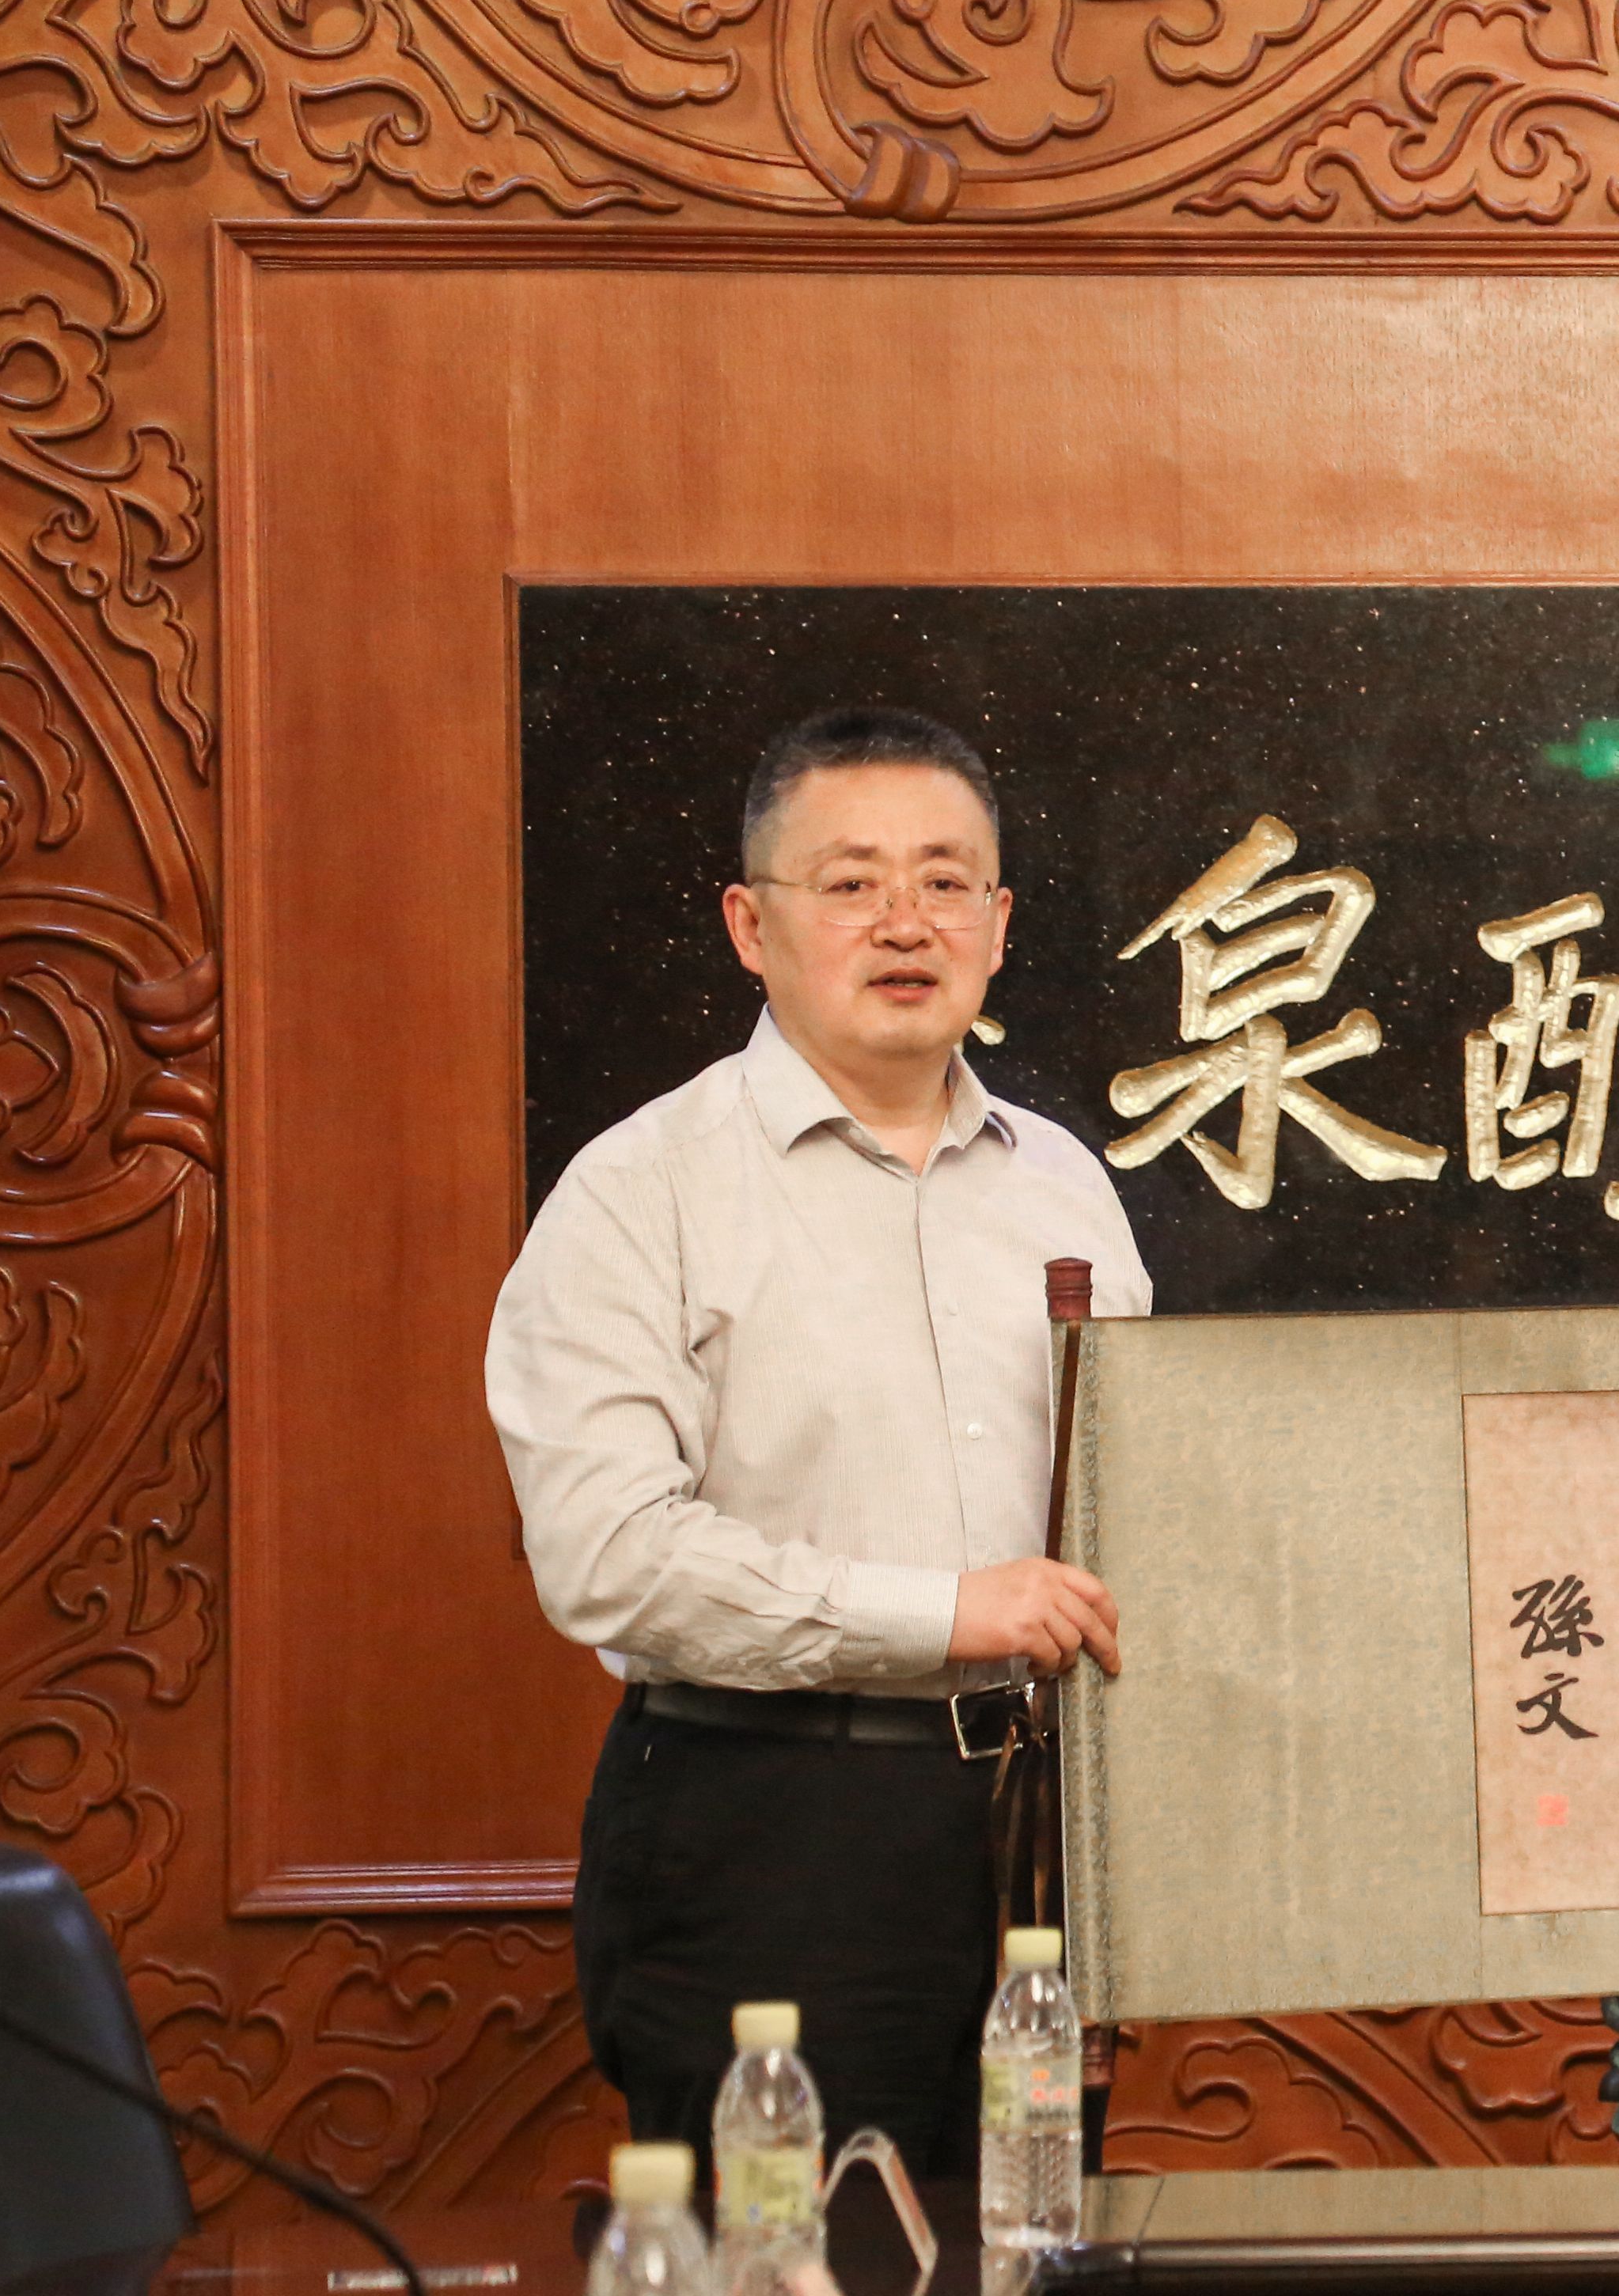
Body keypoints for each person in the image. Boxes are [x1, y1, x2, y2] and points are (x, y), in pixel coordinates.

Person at [488, 707, 1151, 2172]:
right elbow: (607, 1557)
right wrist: (945, 1612)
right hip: (769, 1832)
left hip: (1041, 1841)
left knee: (1031, 2242)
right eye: (851, 883)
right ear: (751, 925)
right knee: (793, 2253)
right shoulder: (642, 1191)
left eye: (945, 882)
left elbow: (1133, 1520)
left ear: (1000, 925)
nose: (906, 922)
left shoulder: (1064, 1188)